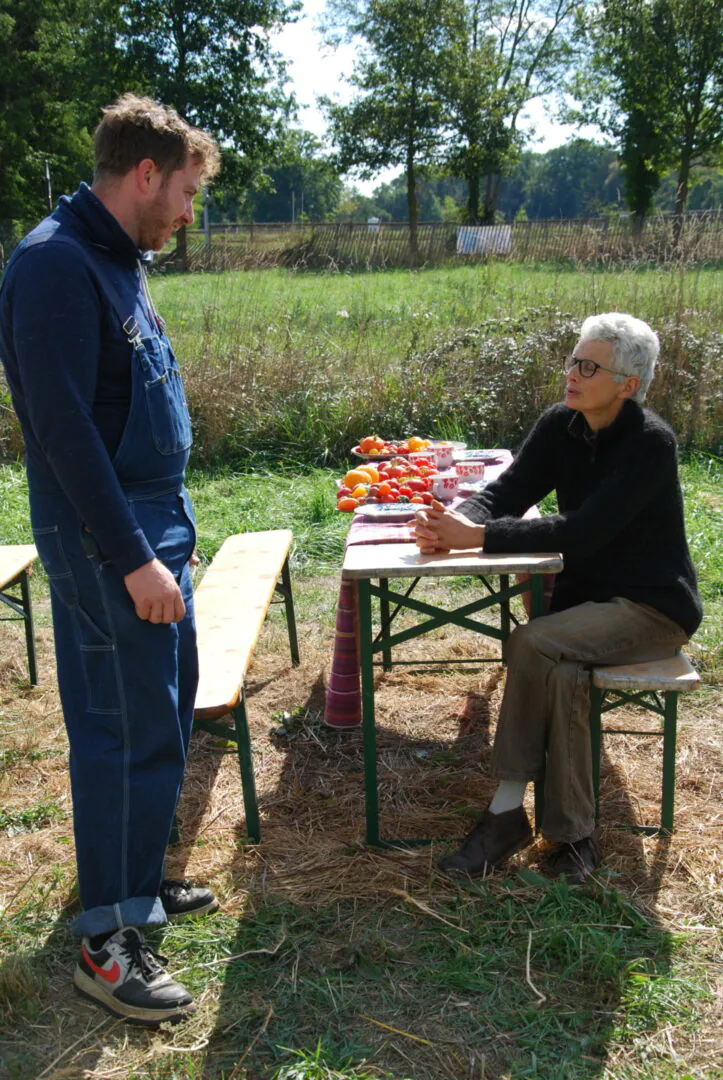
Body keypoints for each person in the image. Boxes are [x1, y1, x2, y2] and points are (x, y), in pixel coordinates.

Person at [0, 95, 221, 1024]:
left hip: (150, 525)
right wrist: (132, 557)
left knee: (164, 713)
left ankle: (135, 890)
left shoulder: (113, 257)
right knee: (117, 728)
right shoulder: (54, 265)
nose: (187, 212)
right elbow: (60, 434)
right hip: (107, 541)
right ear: (142, 174)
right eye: (184, 192)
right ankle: (105, 946)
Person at [414, 313, 702, 884]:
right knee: (562, 674)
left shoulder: (651, 443)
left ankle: (503, 812)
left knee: (533, 641)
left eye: (590, 367)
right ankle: (575, 843)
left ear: (628, 385)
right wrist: (454, 522)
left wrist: (481, 538)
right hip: (584, 608)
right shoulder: (559, 424)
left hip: (651, 609)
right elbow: (509, 490)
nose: (573, 373)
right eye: (574, 359)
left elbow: (585, 529)